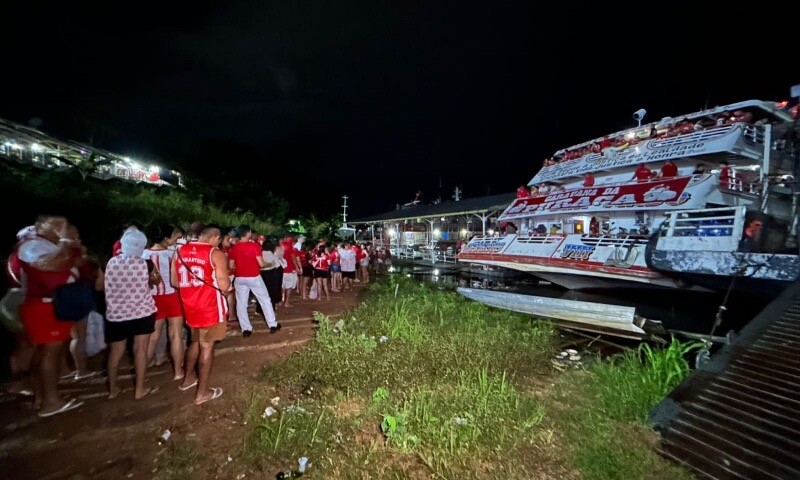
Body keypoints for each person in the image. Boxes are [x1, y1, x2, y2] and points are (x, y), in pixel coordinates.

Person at [17, 215, 86, 417]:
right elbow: (53, 268)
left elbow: (74, 264)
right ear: (43, 227)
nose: (61, 229)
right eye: (58, 226)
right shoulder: (32, 247)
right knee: (50, 352)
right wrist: (66, 244)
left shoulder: (43, 246)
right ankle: (51, 402)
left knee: (47, 353)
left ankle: (42, 397)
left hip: (52, 305)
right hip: (44, 306)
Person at [172, 225, 230, 404]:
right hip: (210, 307)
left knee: (195, 341)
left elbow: (175, 282)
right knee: (207, 346)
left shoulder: (179, 252)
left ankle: (188, 378)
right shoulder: (215, 254)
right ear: (215, 237)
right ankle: (202, 393)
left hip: (190, 307)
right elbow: (224, 286)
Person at [103, 228, 159, 400]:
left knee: (115, 352)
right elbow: (155, 281)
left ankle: (113, 390)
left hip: (116, 315)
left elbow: (101, 286)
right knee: (140, 350)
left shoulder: (109, 262)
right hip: (142, 313)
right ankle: (139, 389)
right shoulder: (146, 264)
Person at [142, 225, 186, 381]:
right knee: (176, 335)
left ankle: (143, 374)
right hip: (173, 296)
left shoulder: (144, 254)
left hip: (153, 299)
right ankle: (178, 372)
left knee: (152, 337)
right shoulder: (173, 254)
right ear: (166, 238)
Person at [227, 225, 279, 337]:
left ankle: (246, 329)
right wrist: (270, 264)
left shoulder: (234, 248)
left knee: (241, 304)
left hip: (240, 278)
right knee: (265, 300)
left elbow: (230, 265)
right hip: (254, 277)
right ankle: (272, 324)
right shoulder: (254, 246)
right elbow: (261, 264)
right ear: (248, 233)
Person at [258, 240, 284, 315]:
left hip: (261, 274)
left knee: (261, 292)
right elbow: (277, 265)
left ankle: (259, 309)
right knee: (271, 293)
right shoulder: (272, 255)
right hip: (271, 274)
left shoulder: (260, 254)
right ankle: (271, 310)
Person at [280, 237, 299, 307]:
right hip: (290, 270)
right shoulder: (290, 248)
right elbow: (293, 258)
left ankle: (280, 301)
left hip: (281, 270)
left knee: (282, 286)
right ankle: (287, 302)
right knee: (289, 287)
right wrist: (297, 267)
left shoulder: (280, 245)